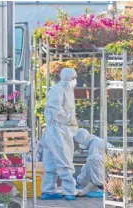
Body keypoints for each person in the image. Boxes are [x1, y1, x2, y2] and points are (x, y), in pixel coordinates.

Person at [40, 68, 78, 201]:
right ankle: (69, 191)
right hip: (58, 131)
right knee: (64, 160)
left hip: (56, 130)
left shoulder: (66, 89)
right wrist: (69, 120)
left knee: (51, 162)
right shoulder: (59, 89)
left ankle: (48, 190)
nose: (75, 81)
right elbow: (55, 110)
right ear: (70, 78)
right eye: (74, 78)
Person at [74, 128, 113, 198]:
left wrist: (86, 189)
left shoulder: (95, 145)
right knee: (91, 161)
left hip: (112, 167)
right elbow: (88, 166)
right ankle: (98, 186)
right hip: (109, 165)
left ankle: (101, 188)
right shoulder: (94, 142)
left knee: (93, 159)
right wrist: (79, 181)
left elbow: (96, 167)